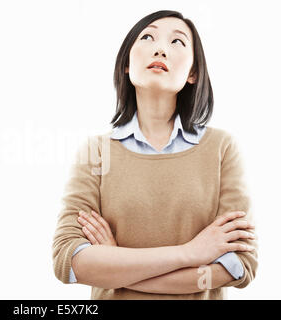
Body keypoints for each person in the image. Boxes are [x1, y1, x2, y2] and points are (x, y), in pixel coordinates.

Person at [52, 10, 258, 300]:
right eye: (147, 37)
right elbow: (69, 260)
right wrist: (190, 253)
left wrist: (116, 262)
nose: (160, 48)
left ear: (193, 73)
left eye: (177, 42)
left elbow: (240, 266)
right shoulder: (96, 151)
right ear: (126, 64)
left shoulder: (222, 148)